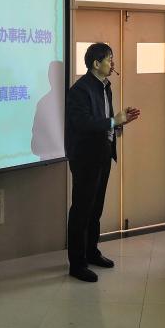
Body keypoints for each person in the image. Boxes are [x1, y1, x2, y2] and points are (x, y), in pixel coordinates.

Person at [64, 43, 139, 282]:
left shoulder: (105, 86)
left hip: (103, 154)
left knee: (96, 209)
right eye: (109, 59)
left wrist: (119, 122)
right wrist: (113, 121)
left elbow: (106, 120)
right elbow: (82, 123)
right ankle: (77, 264)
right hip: (85, 158)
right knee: (81, 210)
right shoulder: (80, 90)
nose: (112, 64)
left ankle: (92, 252)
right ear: (96, 64)